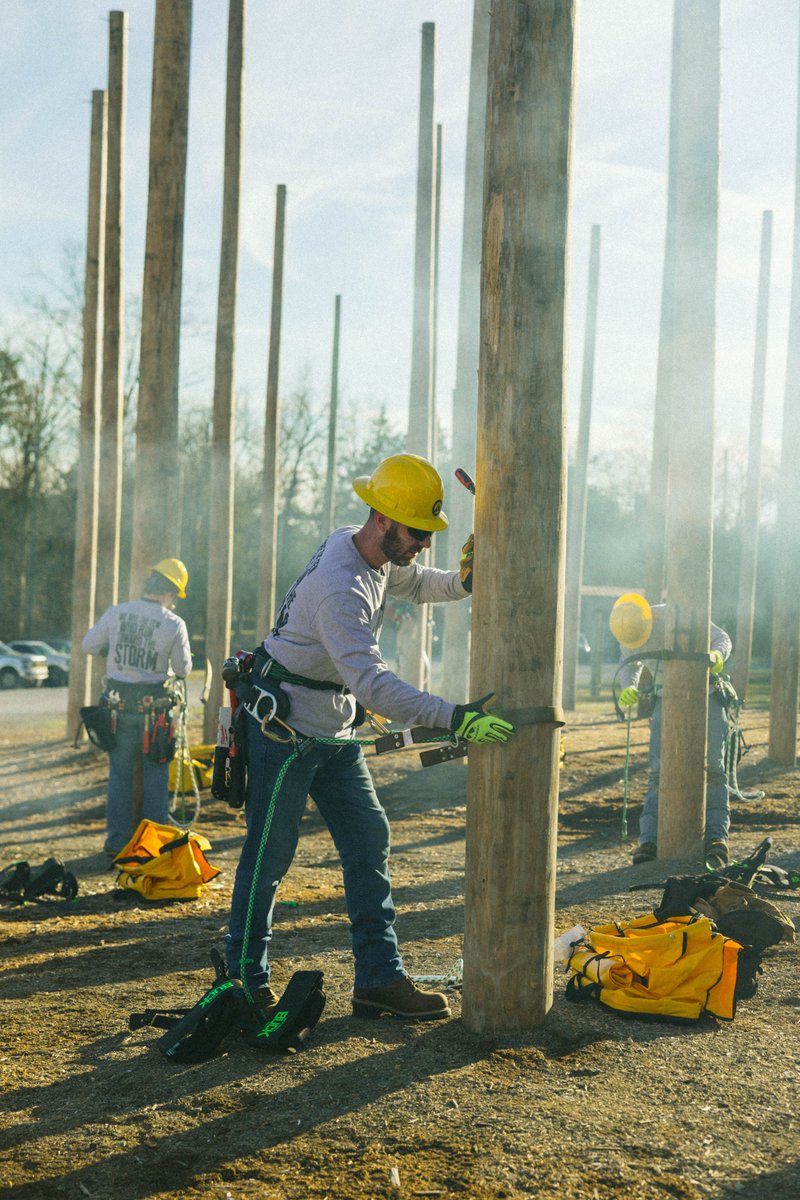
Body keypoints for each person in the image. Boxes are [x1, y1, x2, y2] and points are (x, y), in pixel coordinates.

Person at [224, 453, 513, 1021]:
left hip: (329, 732)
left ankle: (378, 979)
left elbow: (416, 583)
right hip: (284, 732)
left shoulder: (368, 552)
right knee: (268, 858)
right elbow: (374, 685)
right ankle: (242, 983)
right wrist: (454, 716)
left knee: (368, 839)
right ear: (382, 519)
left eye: (429, 533)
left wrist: (462, 582)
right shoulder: (342, 587)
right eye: (417, 532)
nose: (424, 543)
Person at [610, 592, 732, 869]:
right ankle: (650, 841)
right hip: (665, 699)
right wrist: (629, 687)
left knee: (714, 768)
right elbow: (629, 664)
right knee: (658, 771)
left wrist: (717, 655)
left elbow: (722, 638)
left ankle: (716, 839)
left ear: (647, 618)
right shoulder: (626, 628)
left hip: (707, 695)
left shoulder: (673, 614)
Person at [82, 558, 193, 856]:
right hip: (154, 715)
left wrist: (113, 649)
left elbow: (88, 645)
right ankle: (152, 845)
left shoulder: (117, 612)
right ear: (170, 593)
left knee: (120, 776)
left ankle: (117, 840)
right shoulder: (173, 624)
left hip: (117, 710)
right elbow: (182, 669)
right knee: (156, 777)